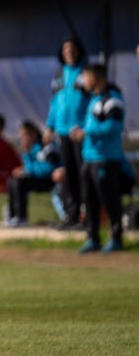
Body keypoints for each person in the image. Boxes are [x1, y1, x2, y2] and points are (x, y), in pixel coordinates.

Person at [71, 64, 126, 253]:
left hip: (106, 159)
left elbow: (114, 127)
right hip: (89, 157)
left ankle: (116, 238)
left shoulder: (112, 100)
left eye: (86, 76)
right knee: (89, 200)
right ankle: (93, 238)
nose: (83, 81)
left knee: (109, 199)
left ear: (97, 77)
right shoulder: (93, 99)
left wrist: (87, 132)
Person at [44, 37, 89, 229]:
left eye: (72, 48)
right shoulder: (59, 74)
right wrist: (49, 126)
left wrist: (86, 128)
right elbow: (54, 103)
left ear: (79, 51)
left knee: (83, 173)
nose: (69, 52)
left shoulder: (86, 72)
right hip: (62, 131)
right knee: (68, 174)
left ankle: (87, 215)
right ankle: (71, 214)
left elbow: (93, 102)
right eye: (65, 49)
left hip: (80, 131)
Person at [6, 120, 62, 227]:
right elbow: (29, 166)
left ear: (33, 133)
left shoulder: (47, 145)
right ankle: (13, 216)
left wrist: (27, 171)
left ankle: (21, 217)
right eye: (22, 136)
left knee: (20, 182)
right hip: (36, 178)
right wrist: (26, 154)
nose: (24, 138)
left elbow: (49, 168)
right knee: (12, 180)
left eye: (26, 135)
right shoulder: (29, 149)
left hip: (49, 180)